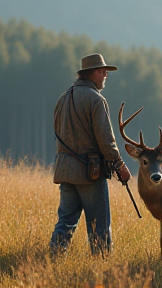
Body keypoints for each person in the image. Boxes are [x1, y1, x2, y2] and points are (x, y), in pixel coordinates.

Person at [50, 53, 131, 258]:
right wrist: (119, 166)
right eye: (101, 71)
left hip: (65, 170)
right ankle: (101, 265)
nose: (105, 75)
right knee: (99, 226)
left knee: (66, 221)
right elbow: (106, 140)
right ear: (88, 74)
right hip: (89, 172)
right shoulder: (96, 99)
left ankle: (54, 259)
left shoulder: (62, 98)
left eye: (106, 71)